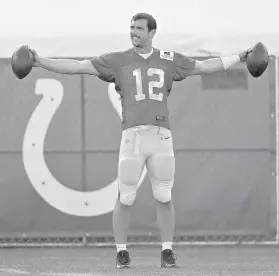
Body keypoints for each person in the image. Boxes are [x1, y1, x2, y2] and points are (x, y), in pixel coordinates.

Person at [30, 12, 251, 269]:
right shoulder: (118, 60)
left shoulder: (169, 59)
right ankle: (121, 251)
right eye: (131, 27)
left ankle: (167, 251)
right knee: (125, 197)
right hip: (133, 136)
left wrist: (239, 57)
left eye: (138, 28)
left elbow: (204, 67)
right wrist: (40, 62)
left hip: (161, 136)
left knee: (165, 195)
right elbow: (79, 66)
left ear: (152, 32)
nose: (133, 32)